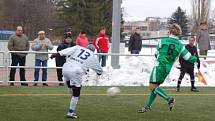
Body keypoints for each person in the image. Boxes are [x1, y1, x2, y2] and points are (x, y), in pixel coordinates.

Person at [138, 23, 198, 113]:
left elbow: (156, 54)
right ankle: (148, 107)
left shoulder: (163, 41)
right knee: (155, 87)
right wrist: (196, 58)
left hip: (160, 65)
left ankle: (169, 99)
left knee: (152, 86)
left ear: (169, 32)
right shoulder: (180, 45)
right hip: (167, 68)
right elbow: (189, 58)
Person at [50, 44, 103, 118]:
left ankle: (72, 91)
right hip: (76, 71)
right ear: (93, 51)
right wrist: (99, 72)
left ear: (86, 47)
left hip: (65, 68)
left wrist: (57, 54)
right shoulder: (92, 56)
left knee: (71, 84)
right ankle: (70, 112)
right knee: (76, 92)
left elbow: (67, 51)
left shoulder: (78, 47)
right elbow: (99, 71)